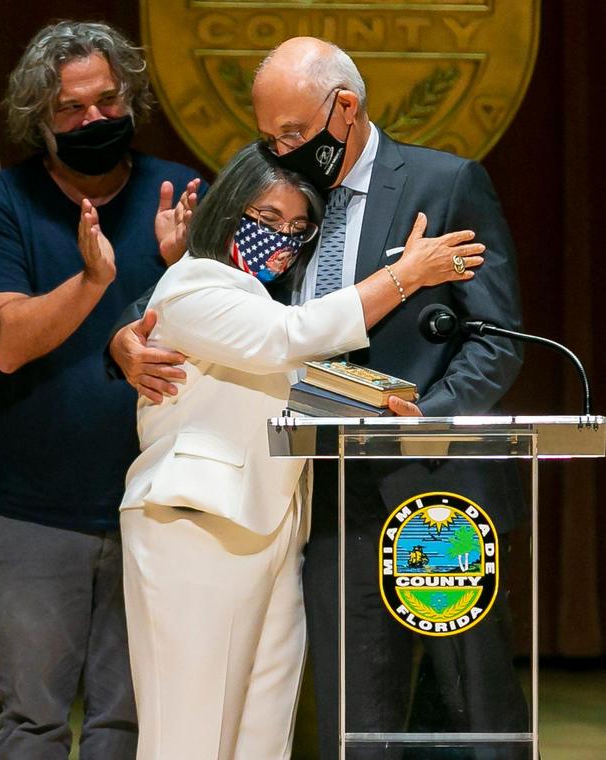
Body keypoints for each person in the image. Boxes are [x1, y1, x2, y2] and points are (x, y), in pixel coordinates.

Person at [115, 38, 528, 759]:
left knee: (472, 698)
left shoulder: (445, 182)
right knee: (351, 715)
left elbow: (495, 339)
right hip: (315, 500)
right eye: (268, 137)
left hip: (429, 487)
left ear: (346, 107)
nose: (281, 149)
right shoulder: (273, 200)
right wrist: (122, 338)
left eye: (295, 134)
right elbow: (242, 318)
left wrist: (417, 423)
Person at [0, 20, 202, 760]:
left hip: (156, 505)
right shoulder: (4, 206)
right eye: (72, 109)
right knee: (32, 718)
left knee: (128, 721)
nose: (95, 119)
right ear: (40, 117)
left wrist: (186, 268)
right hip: (36, 512)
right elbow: (8, 343)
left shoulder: (182, 194)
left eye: (108, 100)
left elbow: (241, 327)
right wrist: (94, 280)